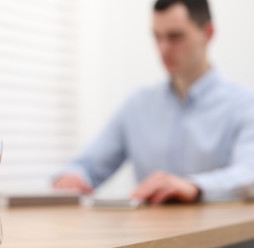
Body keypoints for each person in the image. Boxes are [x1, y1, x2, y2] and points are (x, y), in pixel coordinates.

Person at [52, 0, 254, 204]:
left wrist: (195, 186)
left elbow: (250, 173)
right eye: (157, 37)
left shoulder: (244, 105)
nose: (163, 49)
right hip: (151, 233)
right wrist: (74, 177)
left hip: (223, 234)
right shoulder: (138, 106)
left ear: (208, 33)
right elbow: (88, 166)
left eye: (175, 37)